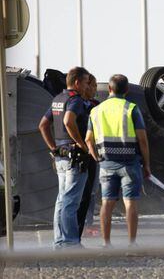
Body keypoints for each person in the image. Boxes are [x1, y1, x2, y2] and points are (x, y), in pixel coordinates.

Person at [85, 74, 151, 248]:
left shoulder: (96, 110)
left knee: (107, 202)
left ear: (109, 89)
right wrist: (147, 164)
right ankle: (131, 243)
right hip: (130, 163)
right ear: (127, 90)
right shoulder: (131, 109)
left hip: (106, 163)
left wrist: (96, 157)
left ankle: (107, 244)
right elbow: (143, 140)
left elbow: (88, 139)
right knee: (130, 202)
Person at [38, 67, 90, 248]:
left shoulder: (57, 99)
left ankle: (59, 240)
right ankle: (70, 242)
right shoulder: (75, 100)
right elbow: (69, 121)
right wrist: (82, 145)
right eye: (85, 82)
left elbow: (43, 125)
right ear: (76, 82)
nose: (86, 86)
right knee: (71, 201)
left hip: (60, 156)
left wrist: (54, 148)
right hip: (74, 158)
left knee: (61, 199)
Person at [78, 74, 100, 237]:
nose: (95, 89)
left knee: (91, 191)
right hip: (81, 153)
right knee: (80, 191)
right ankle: (83, 225)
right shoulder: (76, 105)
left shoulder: (96, 105)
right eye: (93, 86)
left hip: (94, 153)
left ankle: (88, 223)